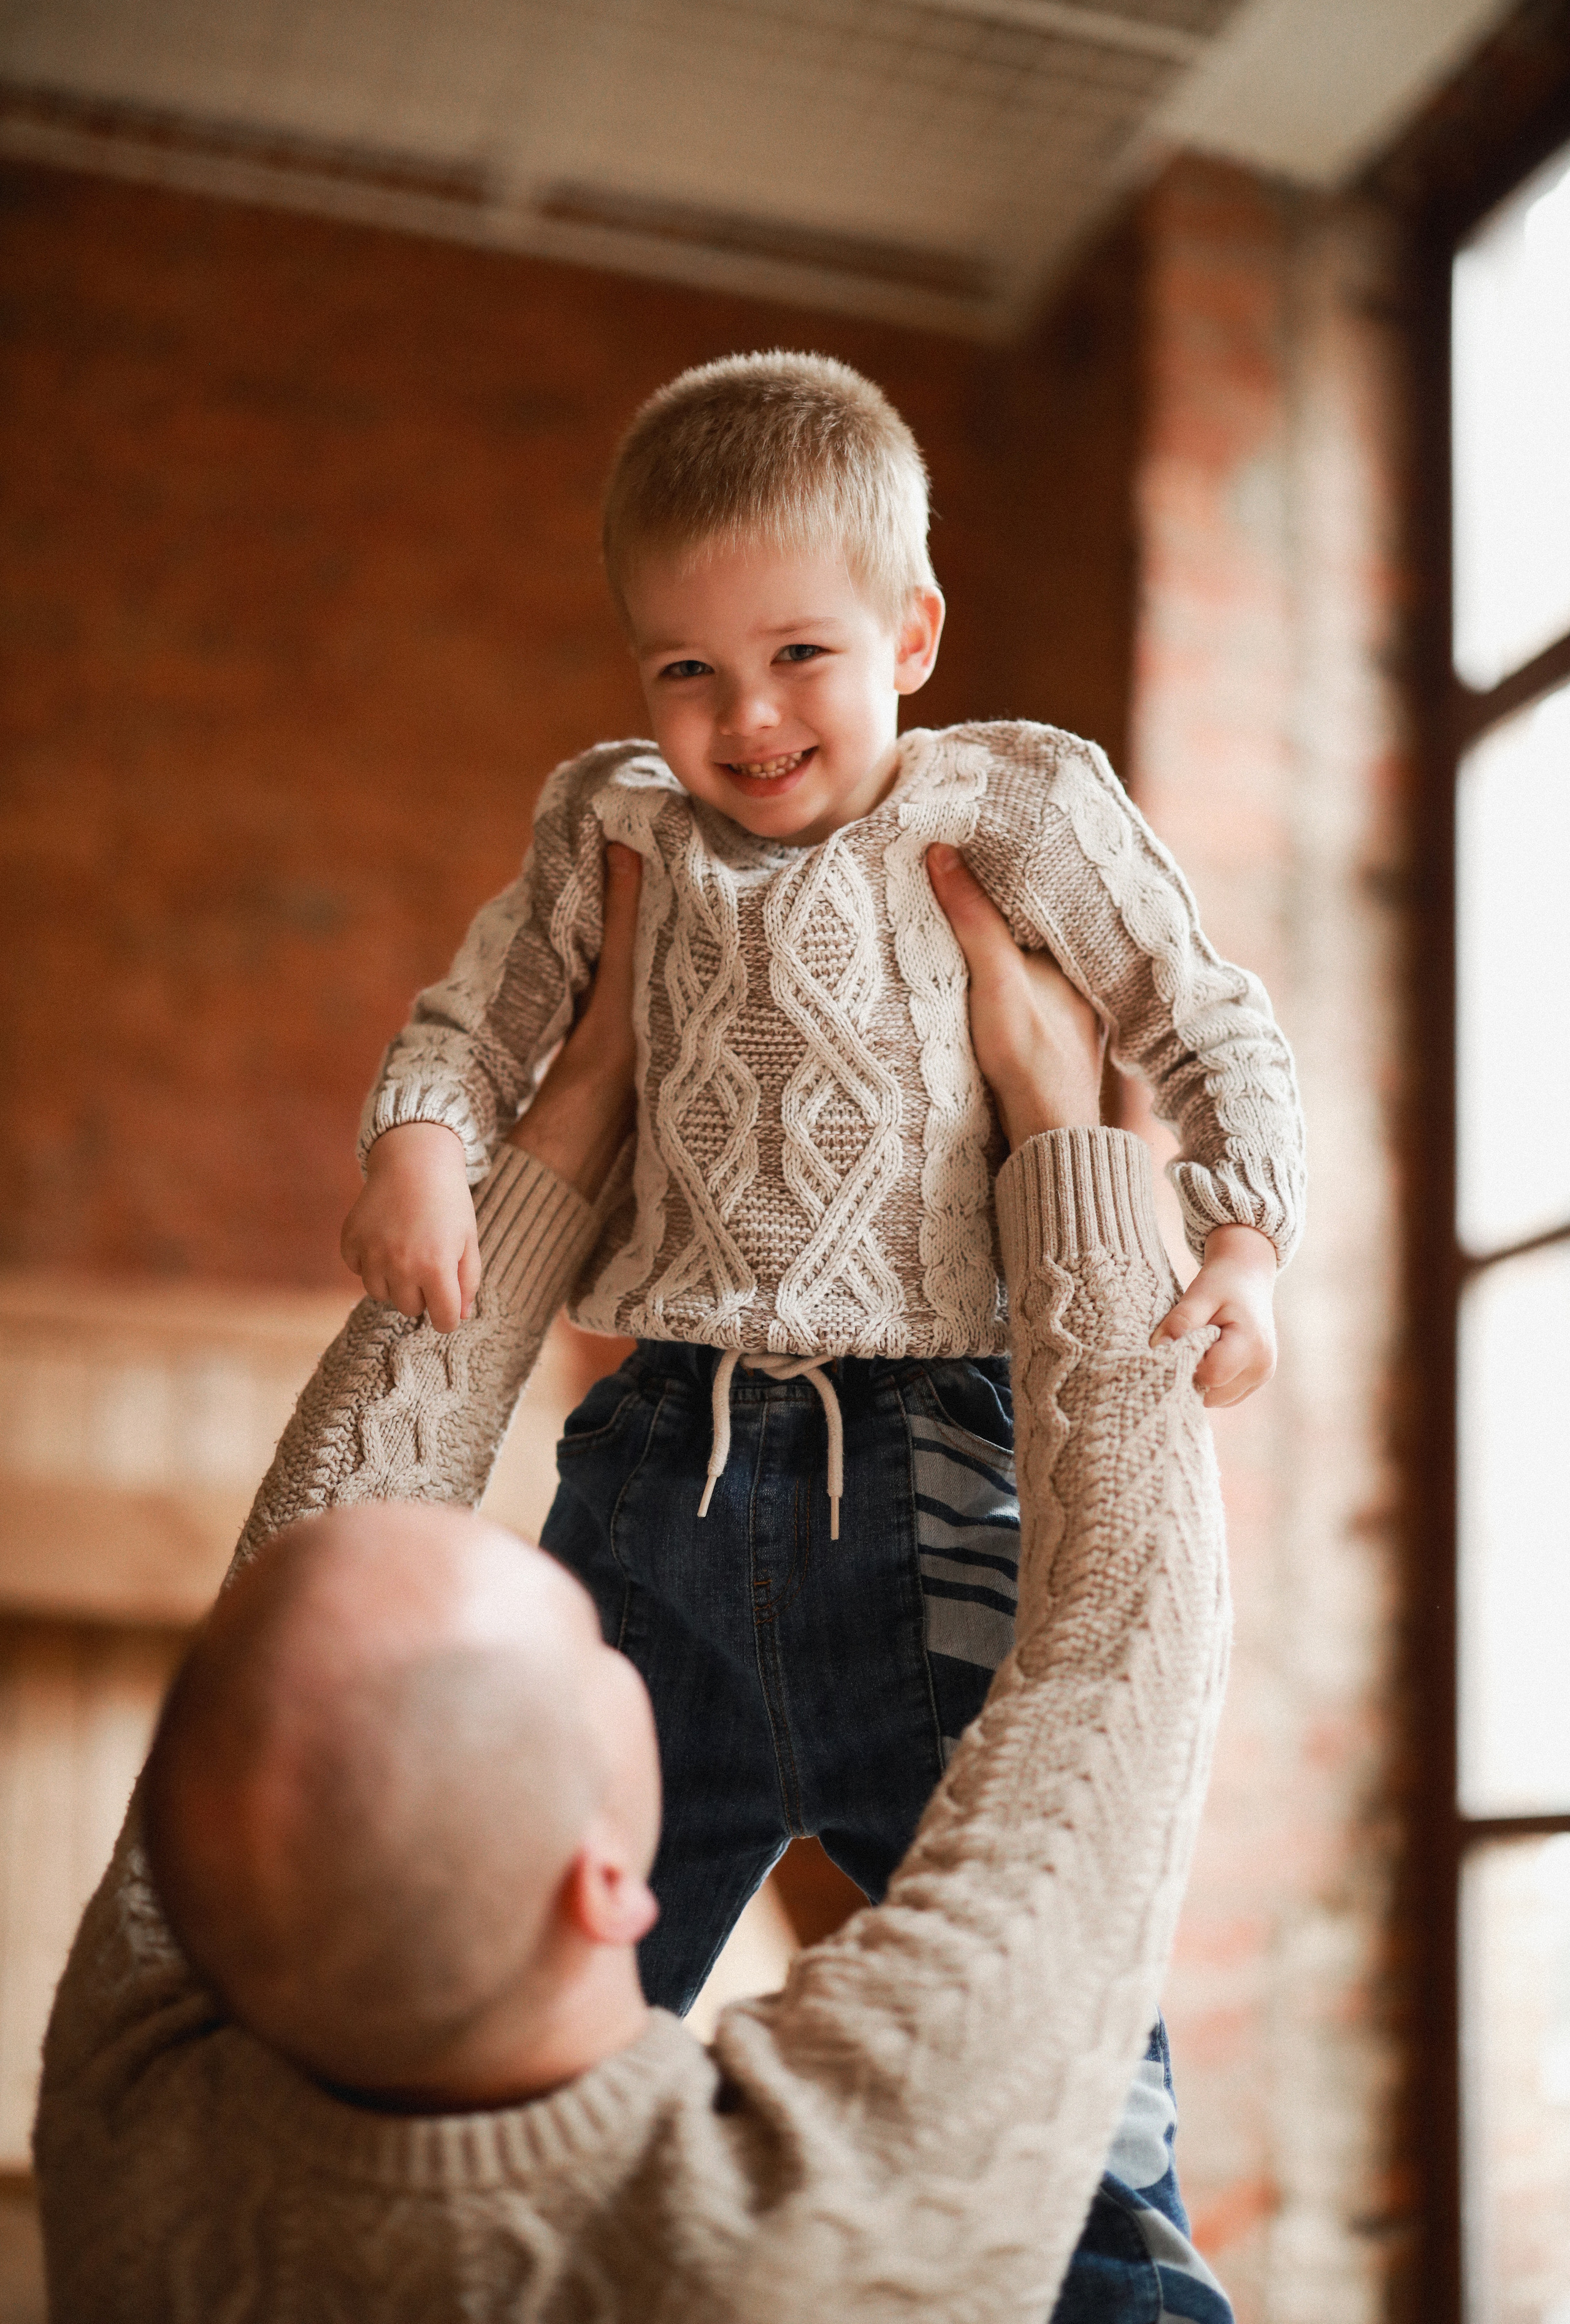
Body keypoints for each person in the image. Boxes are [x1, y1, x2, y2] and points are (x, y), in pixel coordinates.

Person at [36, 847, 1234, 2321]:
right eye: (592, 1651)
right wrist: (1067, 1137)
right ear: (609, 1883)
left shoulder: (134, 2133)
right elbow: (1118, 1672)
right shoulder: (807, 2211)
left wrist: (573, 1108)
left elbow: (320, 1530)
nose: (628, 1625)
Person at [339, 353, 1301, 2038]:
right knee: (540, 1993)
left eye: (801, 656)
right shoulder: (614, 824)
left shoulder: (1017, 803)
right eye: (686, 669)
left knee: (1032, 1987)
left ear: (911, 638)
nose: (747, 718)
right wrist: (419, 1140)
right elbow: (476, 1021)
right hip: (659, 1468)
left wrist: (1247, 1235)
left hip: (936, 1457)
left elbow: (1198, 1010)